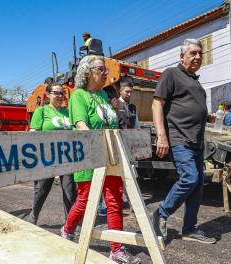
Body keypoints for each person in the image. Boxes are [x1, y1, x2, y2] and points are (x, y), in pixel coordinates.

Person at [61, 55, 141, 264]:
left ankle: (116, 249)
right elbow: (81, 125)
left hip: (111, 157)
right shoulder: (79, 95)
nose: (106, 73)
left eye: (106, 69)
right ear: (87, 73)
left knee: (114, 201)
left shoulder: (105, 97)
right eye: (101, 69)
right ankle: (67, 230)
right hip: (90, 157)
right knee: (86, 201)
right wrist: (97, 149)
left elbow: (114, 125)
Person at [151, 39, 216, 244]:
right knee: (189, 178)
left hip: (197, 141)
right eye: (193, 53)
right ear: (182, 56)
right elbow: (157, 104)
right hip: (179, 139)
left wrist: (206, 117)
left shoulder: (196, 83)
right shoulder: (171, 74)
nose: (197, 57)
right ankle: (161, 213)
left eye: (200, 54)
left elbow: (187, 108)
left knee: (197, 186)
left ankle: (189, 229)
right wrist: (161, 135)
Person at [28, 83, 77, 225]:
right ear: (48, 95)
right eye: (56, 93)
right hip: (47, 159)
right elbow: (33, 134)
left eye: (62, 93)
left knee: (70, 192)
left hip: (67, 158)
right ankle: (33, 216)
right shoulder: (41, 111)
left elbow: (75, 133)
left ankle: (69, 225)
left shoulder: (68, 113)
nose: (60, 96)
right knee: (42, 189)